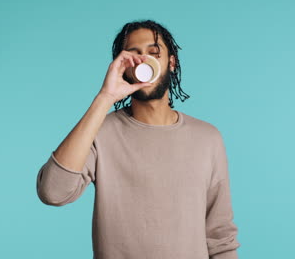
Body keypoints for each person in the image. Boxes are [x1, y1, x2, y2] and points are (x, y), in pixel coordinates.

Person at [36, 19, 241, 259]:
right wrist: (105, 97)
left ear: (171, 63)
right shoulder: (100, 132)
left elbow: (220, 238)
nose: (145, 60)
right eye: (134, 55)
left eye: (153, 52)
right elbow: (53, 192)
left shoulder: (208, 138)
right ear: (123, 67)